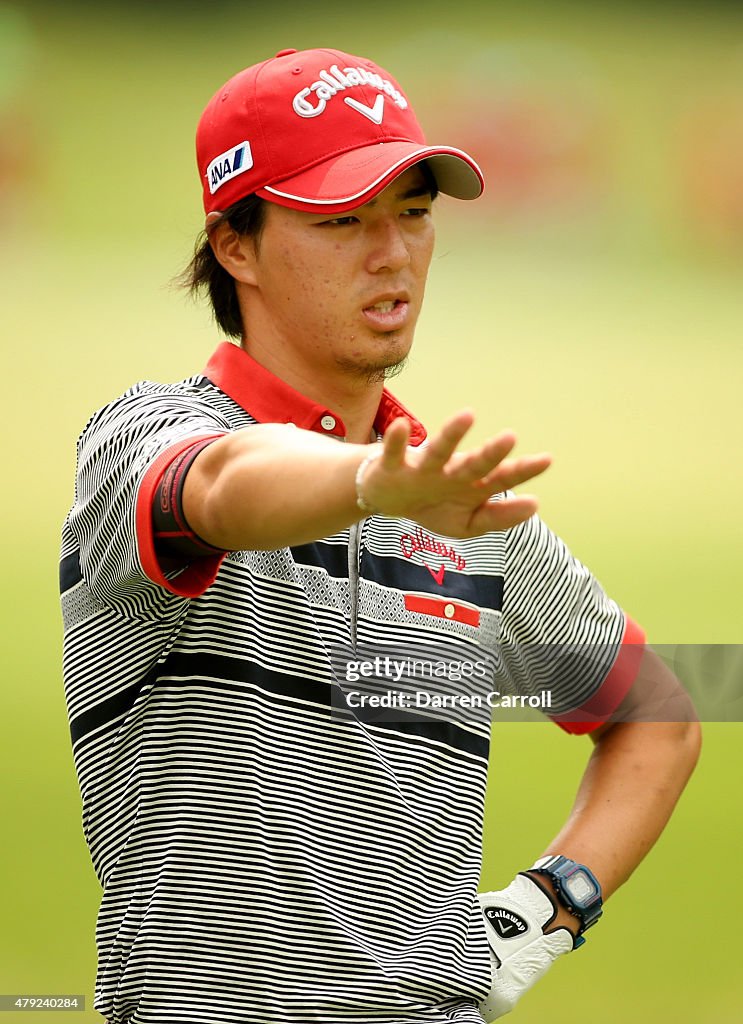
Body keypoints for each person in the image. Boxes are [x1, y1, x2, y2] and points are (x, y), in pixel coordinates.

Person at [60, 47, 701, 1024]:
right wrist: (367, 483)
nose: (391, 253)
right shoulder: (147, 437)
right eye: (340, 220)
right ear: (235, 244)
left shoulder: (455, 498)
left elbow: (656, 715)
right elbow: (225, 485)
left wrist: (541, 912)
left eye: (411, 213)